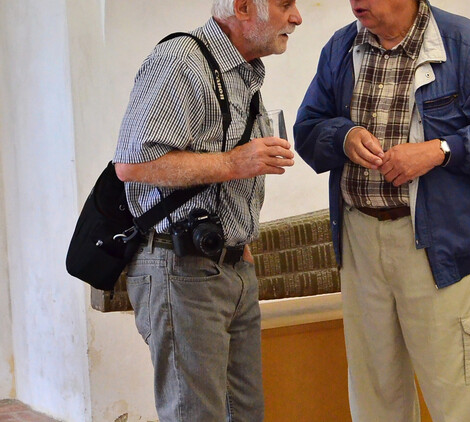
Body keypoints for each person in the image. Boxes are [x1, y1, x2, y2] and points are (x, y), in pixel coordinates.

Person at [294, 0, 470, 421]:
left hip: (440, 250)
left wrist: (440, 150)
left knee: (463, 397)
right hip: (360, 243)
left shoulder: (467, 46)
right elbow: (308, 128)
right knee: (375, 397)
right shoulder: (341, 48)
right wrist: (344, 136)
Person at [112, 0, 302, 420]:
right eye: (285, 4)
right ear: (244, 7)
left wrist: (239, 245)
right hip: (181, 268)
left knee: (245, 413)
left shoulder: (244, 73)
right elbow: (132, 164)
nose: (297, 17)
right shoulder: (182, 61)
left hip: (231, 269)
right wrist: (235, 162)